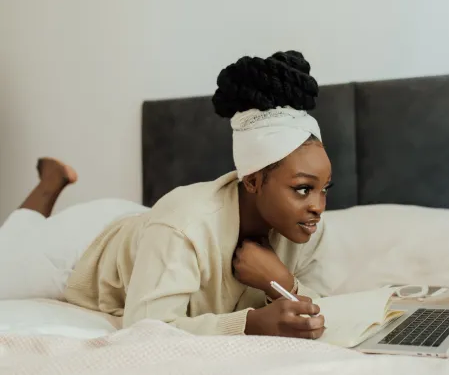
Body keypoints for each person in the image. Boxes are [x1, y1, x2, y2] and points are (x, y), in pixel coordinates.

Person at [0, 50, 337, 340]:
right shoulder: (184, 226)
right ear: (251, 181)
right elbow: (146, 327)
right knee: (11, 245)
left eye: (324, 189)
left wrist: (282, 282)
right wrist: (249, 324)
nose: (317, 206)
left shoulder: (309, 229)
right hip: (81, 250)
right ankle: (49, 183)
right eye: (303, 189)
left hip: (147, 232)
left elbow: (329, 311)